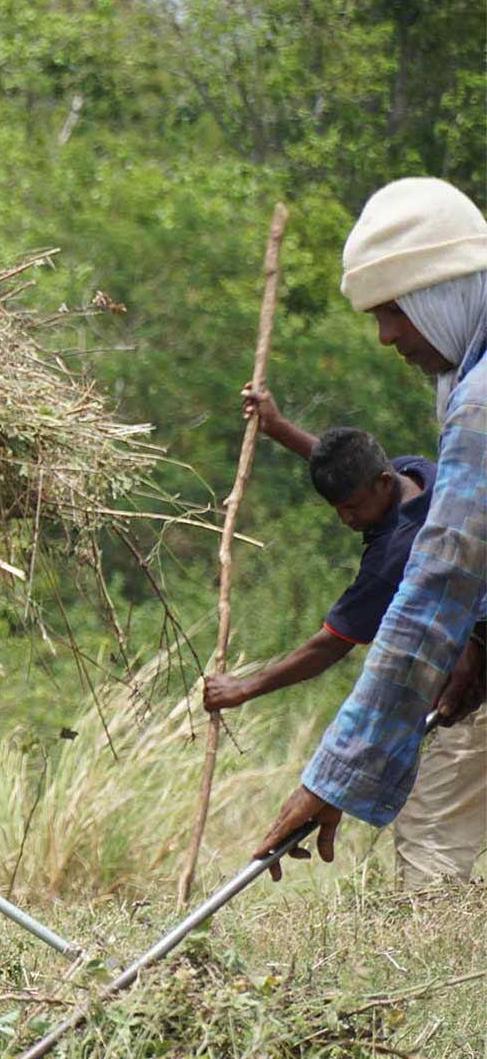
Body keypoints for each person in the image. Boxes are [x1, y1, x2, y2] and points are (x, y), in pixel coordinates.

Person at [259, 177, 487, 880]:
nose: (387, 336)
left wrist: (334, 773)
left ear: (440, 295)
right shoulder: (459, 386)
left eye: (394, 313)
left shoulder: (479, 405)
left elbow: (437, 585)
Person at [203, 401, 483, 885]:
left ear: (381, 486)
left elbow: (329, 647)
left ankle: (430, 931)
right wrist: (278, 429)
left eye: (352, 508)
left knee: (428, 828)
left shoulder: (398, 553)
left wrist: (243, 689)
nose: (346, 519)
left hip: (475, 685)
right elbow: (344, 464)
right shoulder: (422, 475)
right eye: (338, 508)